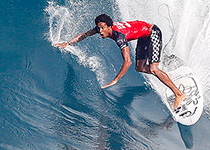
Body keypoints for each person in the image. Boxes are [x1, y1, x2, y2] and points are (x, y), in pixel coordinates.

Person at [55, 14, 187, 110]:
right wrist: (67, 43)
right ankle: (165, 69)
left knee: (153, 69)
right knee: (140, 67)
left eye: (102, 28)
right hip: (143, 36)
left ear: (109, 27)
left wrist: (116, 79)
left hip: (152, 33)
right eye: (98, 28)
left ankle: (179, 94)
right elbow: (85, 34)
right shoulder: (104, 28)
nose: (100, 31)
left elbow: (127, 61)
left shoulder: (119, 37)